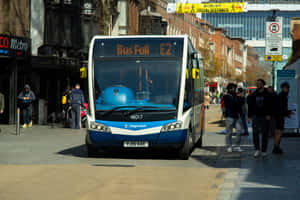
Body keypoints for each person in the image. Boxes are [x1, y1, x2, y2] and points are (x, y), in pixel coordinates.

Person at [247, 79, 271, 157]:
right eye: (257, 83)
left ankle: (264, 150)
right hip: (256, 116)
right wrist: (249, 116)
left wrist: (269, 114)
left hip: (265, 116)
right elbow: (250, 106)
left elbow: (271, 106)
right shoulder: (253, 95)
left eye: (259, 83)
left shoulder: (268, 94)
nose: (258, 85)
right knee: (255, 133)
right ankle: (257, 149)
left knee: (265, 133)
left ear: (263, 84)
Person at [273, 82, 293, 154]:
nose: (288, 89)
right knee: (279, 132)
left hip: (277, 116)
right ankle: (276, 147)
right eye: (287, 88)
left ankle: (276, 147)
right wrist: (287, 113)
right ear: (283, 88)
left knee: (277, 132)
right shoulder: (283, 96)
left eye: (288, 88)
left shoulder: (281, 95)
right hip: (280, 116)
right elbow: (282, 108)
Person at [223, 83, 244, 152]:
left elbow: (241, 104)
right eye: (232, 88)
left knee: (239, 131)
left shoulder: (237, 96)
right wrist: (239, 98)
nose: (233, 89)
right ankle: (229, 146)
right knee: (229, 132)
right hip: (229, 116)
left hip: (237, 116)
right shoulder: (226, 96)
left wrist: (241, 98)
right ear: (229, 89)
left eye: (234, 88)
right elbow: (233, 104)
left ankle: (237, 146)